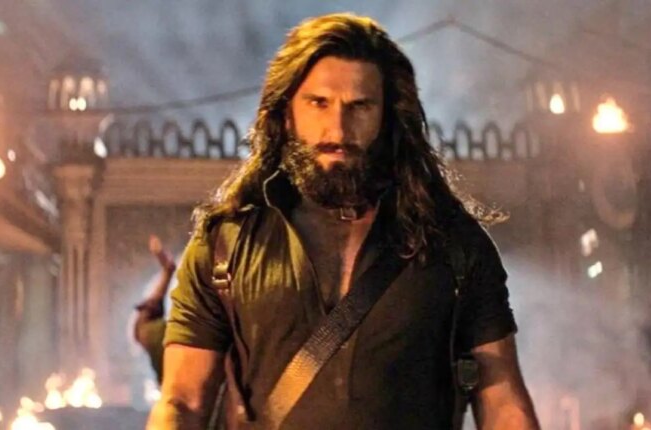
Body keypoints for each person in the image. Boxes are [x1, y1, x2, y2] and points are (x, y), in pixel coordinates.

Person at [148, 13, 539, 430]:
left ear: (388, 117)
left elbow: (503, 405)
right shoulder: (225, 248)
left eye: (360, 106)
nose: (337, 128)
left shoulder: (453, 246)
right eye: (318, 103)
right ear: (285, 113)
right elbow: (183, 402)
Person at [134, 234, 176, 385]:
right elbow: (169, 269)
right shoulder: (155, 331)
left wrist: (159, 253)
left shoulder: (149, 331)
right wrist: (159, 253)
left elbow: (169, 268)